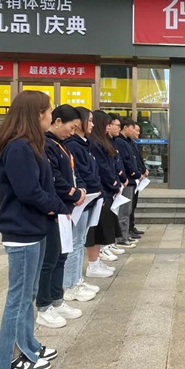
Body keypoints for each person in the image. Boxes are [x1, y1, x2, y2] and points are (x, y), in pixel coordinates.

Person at [0, 90, 67, 369]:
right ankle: (12, 359)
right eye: (49, 110)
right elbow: (29, 191)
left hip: (33, 229)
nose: (51, 115)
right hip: (21, 231)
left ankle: (28, 345)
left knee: (29, 294)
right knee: (19, 297)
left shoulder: (31, 145)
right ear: (38, 114)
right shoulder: (18, 147)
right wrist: (57, 206)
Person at [35, 104, 86, 329]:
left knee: (61, 256)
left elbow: (72, 173)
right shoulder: (47, 145)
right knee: (50, 259)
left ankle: (57, 299)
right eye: (71, 127)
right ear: (57, 122)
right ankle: (44, 306)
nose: (72, 132)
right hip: (55, 210)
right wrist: (73, 193)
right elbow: (54, 179)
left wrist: (80, 190)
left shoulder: (62, 145)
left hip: (66, 210)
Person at [63, 107, 102, 301]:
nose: (92, 124)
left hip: (87, 198)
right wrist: (86, 190)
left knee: (79, 241)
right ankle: (70, 285)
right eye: (90, 120)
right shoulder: (73, 145)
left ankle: (76, 280)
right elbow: (80, 173)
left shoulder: (84, 144)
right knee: (75, 243)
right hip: (80, 200)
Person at [86, 110, 125, 278]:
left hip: (107, 191)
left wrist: (117, 181)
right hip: (100, 191)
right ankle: (93, 264)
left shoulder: (105, 142)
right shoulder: (94, 143)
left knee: (103, 229)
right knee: (95, 231)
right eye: (107, 124)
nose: (109, 127)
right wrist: (114, 183)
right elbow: (102, 168)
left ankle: (96, 261)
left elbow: (112, 165)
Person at [110, 115, 140, 249]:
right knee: (124, 211)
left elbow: (133, 159)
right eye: (133, 128)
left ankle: (125, 234)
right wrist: (132, 174)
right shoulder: (120, 142)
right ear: (126, 128)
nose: (135, 131)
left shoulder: (127, 142)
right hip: (126, 180)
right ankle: (122, 237)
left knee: (128, 210)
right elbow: (124, 162)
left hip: (130, 180)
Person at [129, 122, 147, 238]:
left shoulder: (134, 144)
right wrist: (137, 173)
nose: (138, 133)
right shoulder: (125, 143)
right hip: (131, 179)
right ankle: (128, 230)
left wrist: (144, 170)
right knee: (128, 207)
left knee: (133, 204)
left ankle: (131, 226)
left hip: (137, 179)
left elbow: (138, 160)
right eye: (136, 130)